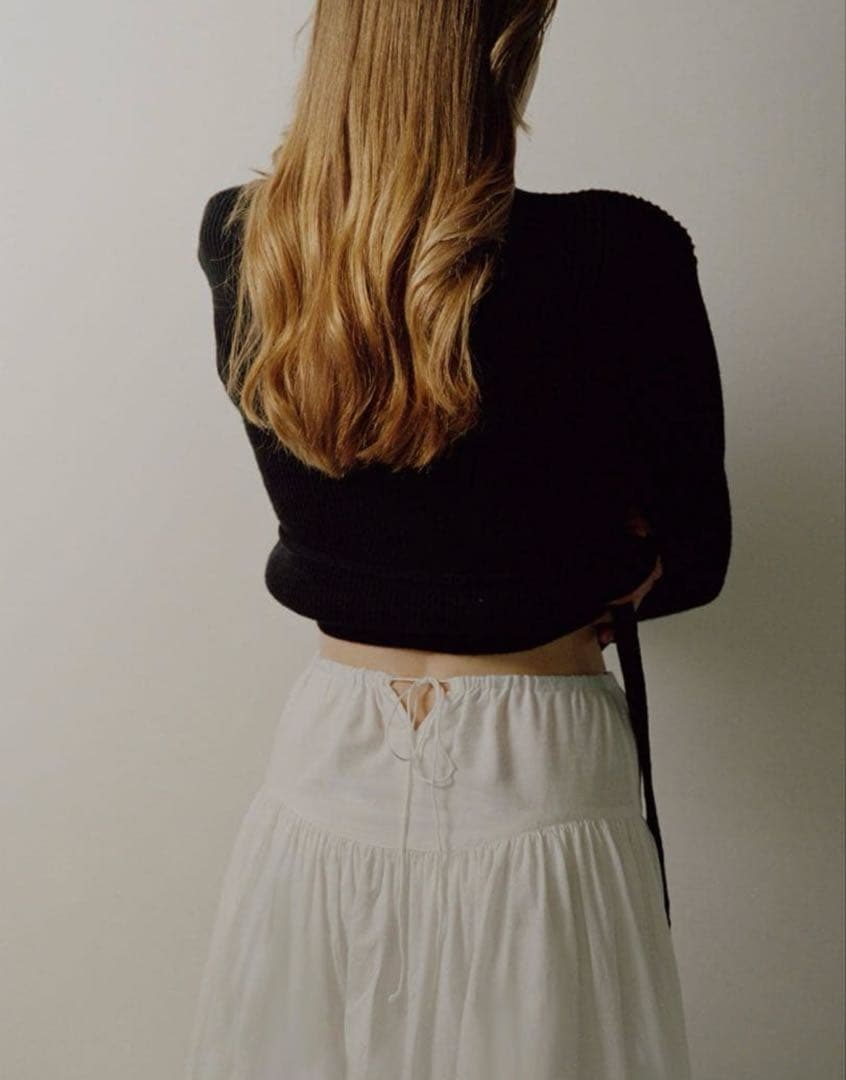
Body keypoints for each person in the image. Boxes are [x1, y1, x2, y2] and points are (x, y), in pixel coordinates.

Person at [184, 2, 731, 1077]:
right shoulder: (620, 252)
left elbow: (352, 523)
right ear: (503, 41)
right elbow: (694, 556)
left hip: (329, 755)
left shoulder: (248, 239)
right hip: (541, 761)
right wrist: (581, 550)